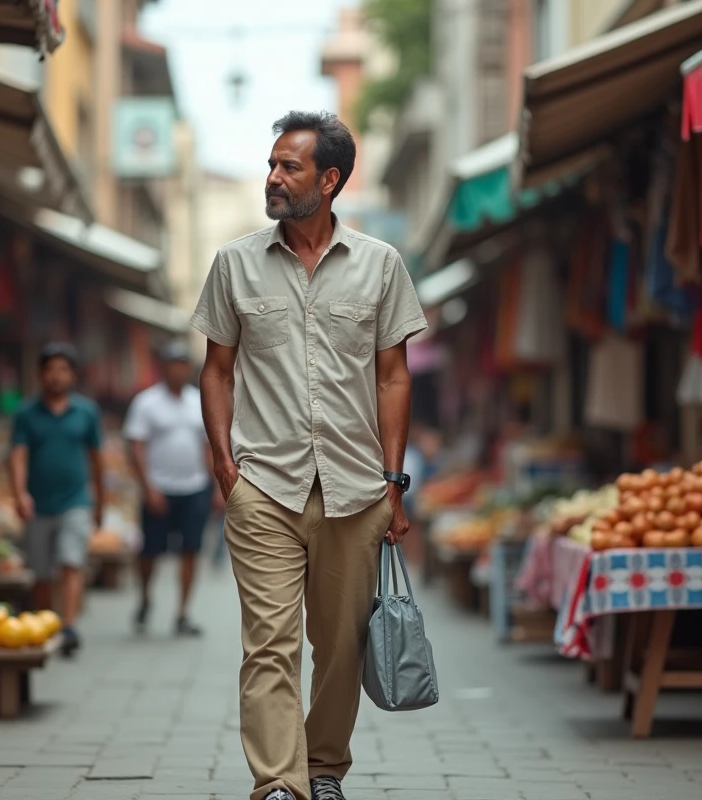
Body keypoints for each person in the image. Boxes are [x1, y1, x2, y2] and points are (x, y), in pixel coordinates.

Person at [192, 111, 427, 800]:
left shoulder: (380, 264)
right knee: (269, 644)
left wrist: (393, 483)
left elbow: (393, 378)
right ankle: (279, 782)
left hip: (356, 489)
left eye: (288, 167)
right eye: (271, 165)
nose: (272, 177)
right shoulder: (234, 263)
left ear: (328, 180)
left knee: (341, 646)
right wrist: (225, 467)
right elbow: (216, 371)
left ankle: (323, 768)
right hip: (263, 485)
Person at [9, 343, 104, 657]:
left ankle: (69, 626)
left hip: (76, 502)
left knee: (71, 563)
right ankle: (47, 622)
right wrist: (20, 494)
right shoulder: (26, 413)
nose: (56, 376)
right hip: (38, 504)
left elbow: (97, 460)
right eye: (50, 369)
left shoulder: (86, 412)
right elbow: (18, 456)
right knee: (40, 574)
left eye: (63, 369)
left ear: (73, 375)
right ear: (40, 374)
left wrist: (100, 503)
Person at [123, 341, 213, 636]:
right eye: (173, 364)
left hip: (194, 487)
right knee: (150, 551)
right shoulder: (146, 403)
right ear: (163, 368)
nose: (178, 370)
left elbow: (208, 446)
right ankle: (145, 596)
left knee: (191, 550)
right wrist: (148, 487)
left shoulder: (199, 401)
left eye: (182, 365)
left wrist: (215, 487)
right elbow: (136, 446)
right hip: (159, 488)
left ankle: (183, 612)